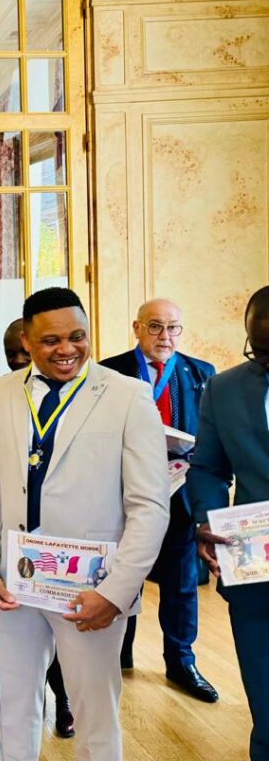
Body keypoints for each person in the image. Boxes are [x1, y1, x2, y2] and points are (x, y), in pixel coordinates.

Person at [0, 287, 169, 761]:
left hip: (90, 589)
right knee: (14, 705)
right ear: (26, 339)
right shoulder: (0, 391)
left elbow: (150, 506)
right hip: (15, 583)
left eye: (78, 337)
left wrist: (116, 592)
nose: (67, 350)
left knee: (94, 713)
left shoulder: (128, 395)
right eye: (51, 341)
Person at [100, 298, 218, 701]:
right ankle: (119, 654)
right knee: (122, 576)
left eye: (173, 328)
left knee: (182, 584)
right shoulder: (107, 372)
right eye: (154, 327)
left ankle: (181, 660)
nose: (164, 337)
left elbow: (211, 444)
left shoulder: (202, 374)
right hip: (123, 497)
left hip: (180, 498)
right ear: (136, 328)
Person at [188, 285, 269, 760]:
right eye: (259, 350)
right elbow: (208, 468)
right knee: (265, 699)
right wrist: (206, 520)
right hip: (255, 573)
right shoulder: (224, 388)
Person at [4, 318, 75, 739]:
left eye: (23, 353)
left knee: (68, 638)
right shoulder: (4, 394)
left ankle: (64, 700)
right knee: (26, 651)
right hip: (18, 547)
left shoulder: (90, 394)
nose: (18, 360)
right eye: (11, 353)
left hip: (69, 545)